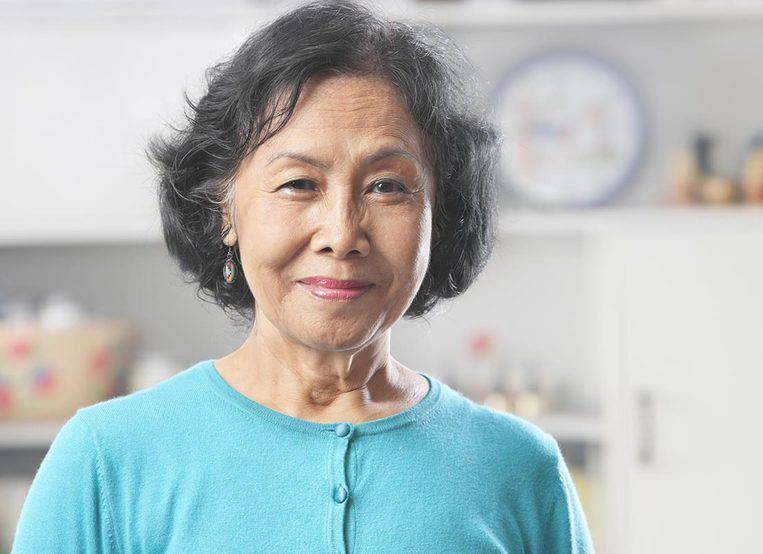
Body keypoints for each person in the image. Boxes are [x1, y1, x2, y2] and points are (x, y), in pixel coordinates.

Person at [12, 0, 594, 551]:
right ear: (225, 210)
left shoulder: (519, 468)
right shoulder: (105, 461)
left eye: (387, 186)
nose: (341, 233)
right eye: (299, 184)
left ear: (440, 215)